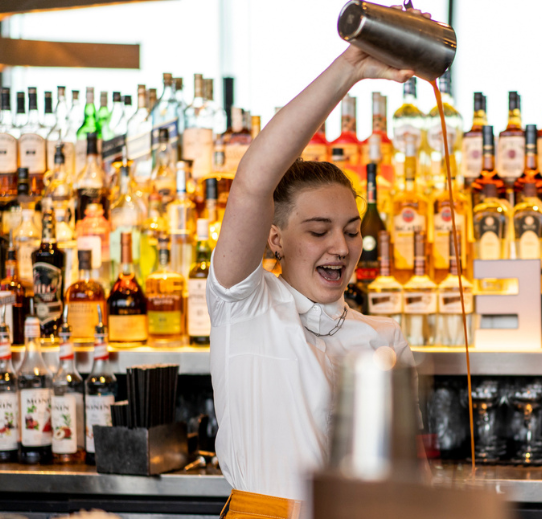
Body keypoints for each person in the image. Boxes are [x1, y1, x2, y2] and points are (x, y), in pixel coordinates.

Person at [207, 10, 429, 519]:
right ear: (275, 237)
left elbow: (408, 478)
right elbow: (253, 182)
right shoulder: (244, 305)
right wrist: (351, 66)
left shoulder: (384, 338)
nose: (341, 246)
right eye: (318, 230)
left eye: (351, 231)